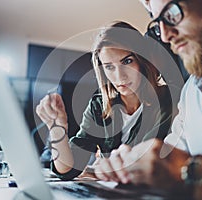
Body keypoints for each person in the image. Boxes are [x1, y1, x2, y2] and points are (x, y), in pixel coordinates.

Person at [95, 0, 202, 199]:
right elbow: (172, 158)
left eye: (172, 13)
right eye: (158, 24)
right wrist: (134, 166)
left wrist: (194, 171)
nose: (165, 35)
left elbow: (182, 168)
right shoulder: (191, 92)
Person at [35, 21, 172, 180]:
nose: (120, 76)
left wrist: (97, 170)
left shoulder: (165, 100)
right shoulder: (99, 106)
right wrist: (57, 127)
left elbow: (143, 162)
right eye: (109, 67)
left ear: (142, 60)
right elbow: (67, 169)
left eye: (127, 61)